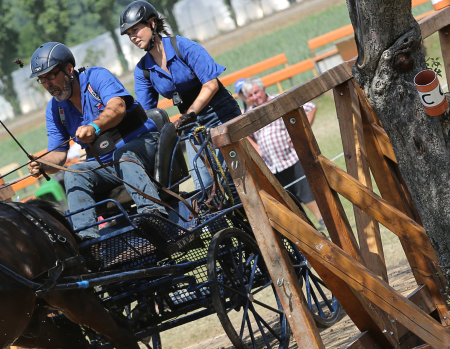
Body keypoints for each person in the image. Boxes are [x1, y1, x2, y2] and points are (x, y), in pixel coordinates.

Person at [26, 42, 166, 241]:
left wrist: (95, 127)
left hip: (145, 145)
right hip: (107, 164)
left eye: (51, 76)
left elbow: (117, 107)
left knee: (122, 155)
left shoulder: (96, 78)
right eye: (42, 80)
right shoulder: (55, 110)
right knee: (74, 175)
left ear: (68, 69)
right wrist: (42, 164)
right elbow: (58, 154)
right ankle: (88, 240)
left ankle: (153, 216)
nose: (48, 85)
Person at [122, 1, 241, 196]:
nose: (133, 37)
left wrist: (189, 114)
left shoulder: (183, 46)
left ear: (152, 23)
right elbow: (145, 113)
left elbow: (211, 85)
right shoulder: (142, 69)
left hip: (220, 114)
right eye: (129, 34)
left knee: (233, 179)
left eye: (135, 29)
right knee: (205, 186)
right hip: (191, 126)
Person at [241, 77, 325, 229]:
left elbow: (311, 107)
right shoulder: (250, 113)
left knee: (306, 193)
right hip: (272, 166)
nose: (254, 97)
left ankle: (322, 221)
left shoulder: (277, 101)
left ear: (263, 89)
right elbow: (245, 135)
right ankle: (309, 229)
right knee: (289, 201)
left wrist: (300, 132)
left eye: (256, 92)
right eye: (251, 95)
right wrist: (256, 147)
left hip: (291, 158)